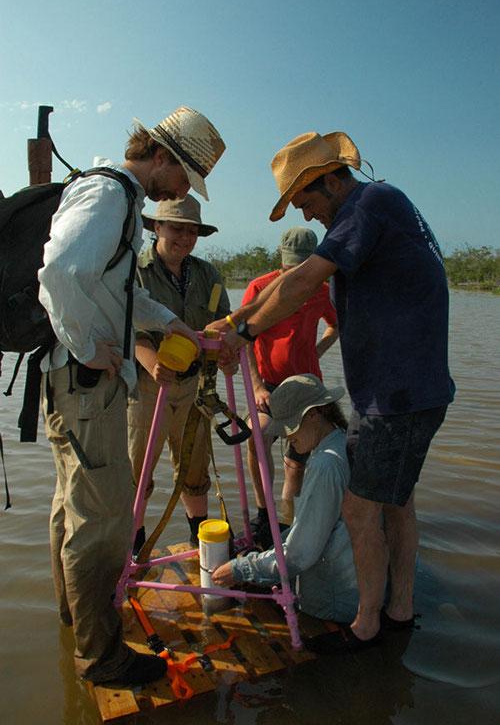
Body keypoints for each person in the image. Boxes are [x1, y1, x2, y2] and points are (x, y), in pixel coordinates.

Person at [211, 129, 455, 653]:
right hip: (406, 389)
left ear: (330, 180)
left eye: (306, 200)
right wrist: (235, 318)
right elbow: (292, 278)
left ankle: (368, 625)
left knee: (359, 508)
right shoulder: (374, 208)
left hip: (397, 394)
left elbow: (300, 285)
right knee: (397, 503)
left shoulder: (370, 204)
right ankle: (399, 609)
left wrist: (245, 334)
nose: (305, 215)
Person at [38, 106, 225, 685]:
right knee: (104, 514)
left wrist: (171, 322)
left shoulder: (113, 196)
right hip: (87, 380)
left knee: (75, 506)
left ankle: (79, 622)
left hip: (79, 381)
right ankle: (101, 655)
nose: (177, 195)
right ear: (163, 158)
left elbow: (111, 286)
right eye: (181, 180)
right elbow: (62, 272)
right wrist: (86, 346)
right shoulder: (113, 194)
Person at [127, 194, 230, 550]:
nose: (185, 237)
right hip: (145, 388)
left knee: (195, 469)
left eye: (192, 231)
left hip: (194, 387)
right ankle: (134, 552)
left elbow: (223, 326)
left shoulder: (208, 274)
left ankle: (197, 546)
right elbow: (130, 332)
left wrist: (226, 349)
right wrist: (153, 363)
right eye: (176, 228)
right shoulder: (135, 270)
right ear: (157, 227)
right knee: (137, 473)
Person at [212, 374, 358, 622]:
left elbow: (301, 553)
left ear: (315, 413)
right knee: (270, 532)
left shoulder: (326, 464)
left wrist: (242, 569)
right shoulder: (339, 442)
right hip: (345, 567)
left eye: (290, 427)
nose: (286, 436)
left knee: (249, 590)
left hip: (332, 600)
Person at [242, 226, 338, 537]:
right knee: (256, 438)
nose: (292, 273)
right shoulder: (260, 288)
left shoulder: (321, 289)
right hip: (268, 385)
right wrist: (256, 386)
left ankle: (287, 521)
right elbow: (243, 338)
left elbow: (336, 326)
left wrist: (316, 351)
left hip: (306, 387)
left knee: (297, 460)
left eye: (301, 267)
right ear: (281, 257)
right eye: (288, 266)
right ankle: (262, 513)